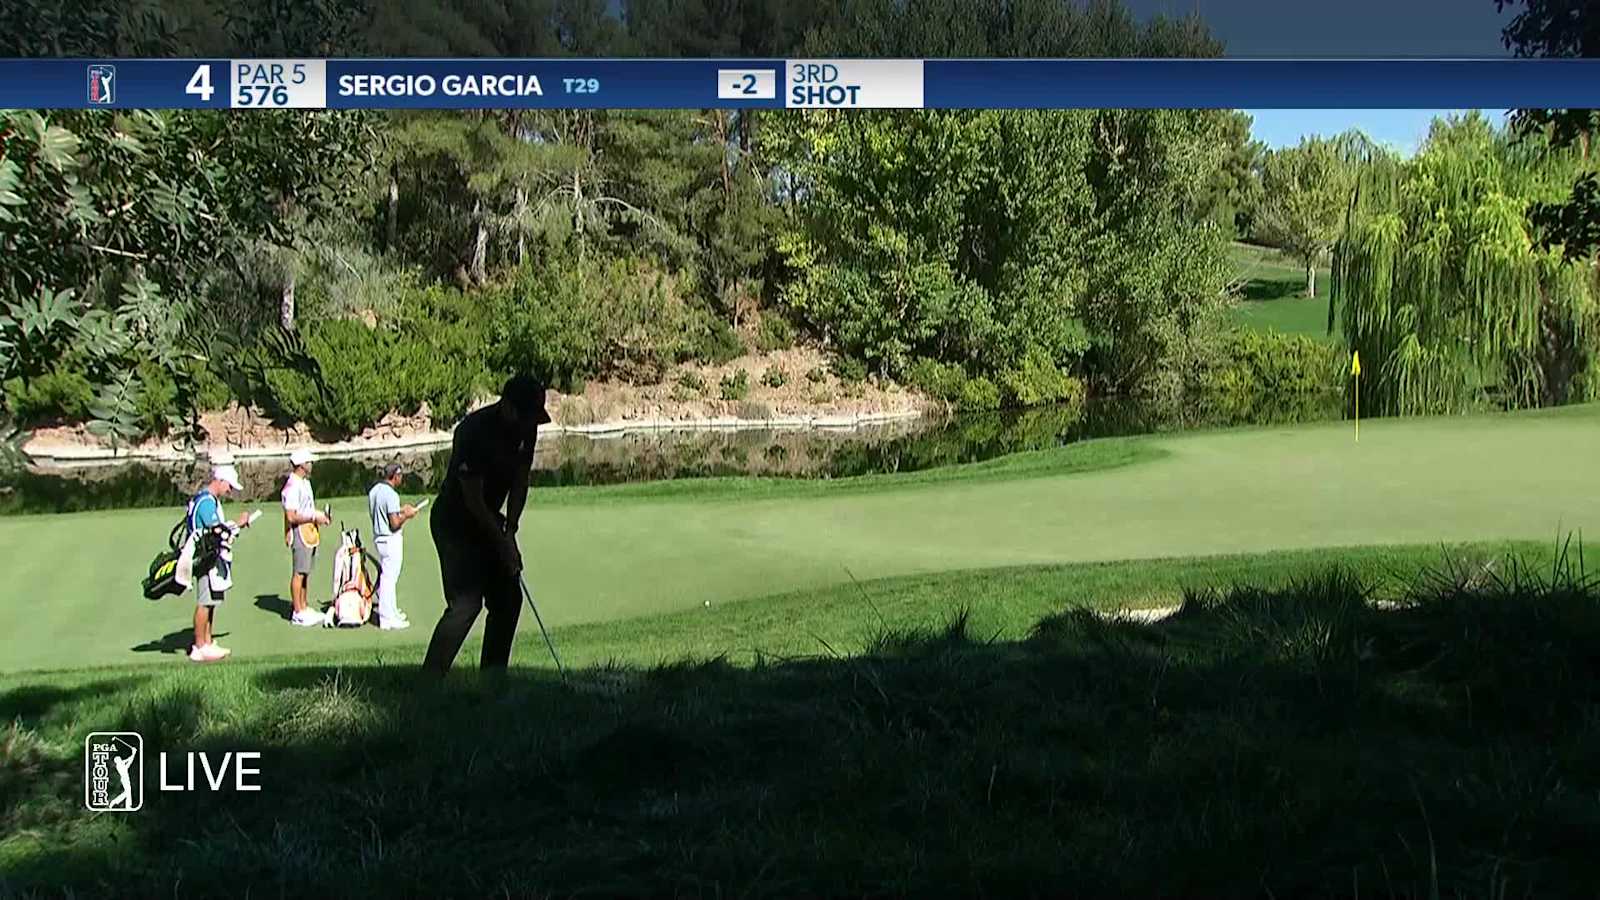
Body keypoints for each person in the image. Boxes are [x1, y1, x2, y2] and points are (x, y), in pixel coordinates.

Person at [423, 374, 550, 674]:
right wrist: (503, 541)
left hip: (489, 518)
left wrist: (512, 529)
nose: (531, 425)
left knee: (508, 598)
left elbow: (521, 480)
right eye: (526, 416)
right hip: (454, 522)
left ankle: (492, 678)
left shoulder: (525, 429)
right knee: (466, 605)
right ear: (507, 406)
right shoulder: (474, 431)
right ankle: (429, 680)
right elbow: (473, 500)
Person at [189, 463, 254, 663]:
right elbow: (217, 531)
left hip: (211, 556)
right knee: (204, 602)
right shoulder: (207, 502)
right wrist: (239, 523)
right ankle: (199, 646)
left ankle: (207, 641)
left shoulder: (209, 499)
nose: (230, 490)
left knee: (212, 601)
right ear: (220, 480)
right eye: (229, 486)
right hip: (205, 558)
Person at [368, 461, 420, 630]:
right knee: (389, 578)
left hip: (379, 538)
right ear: (395, 476)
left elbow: (386, 514)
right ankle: (387, 618)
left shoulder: (374, 490)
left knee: (389, 576)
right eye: (400, 475)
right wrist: (407, 515)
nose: (401, 478)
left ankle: (391, 611)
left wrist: (401, 510)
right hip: (390, 540)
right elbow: (394, 523)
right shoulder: (391, 495)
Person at [282, 448, 331, 627]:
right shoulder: (292, 486)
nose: (311, 465)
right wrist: (313, 517)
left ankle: (304, 606)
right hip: (300, 532)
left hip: (310, 530)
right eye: (309, 462)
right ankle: (297, 611)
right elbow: (291, 516)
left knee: (306, 572)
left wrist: (319, 516)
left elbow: (307, 508)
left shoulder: (305, 483)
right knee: (299, 572)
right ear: (302, 465)